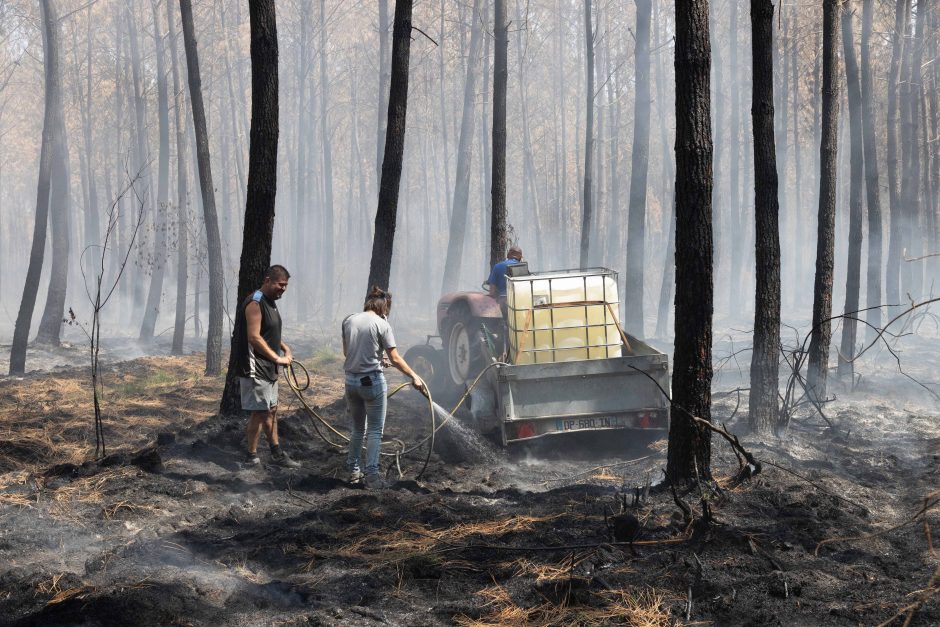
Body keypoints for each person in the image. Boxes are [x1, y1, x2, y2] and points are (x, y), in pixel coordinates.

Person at [342, 286, 425, 490]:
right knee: (375, 431)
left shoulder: (349, 319)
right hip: (372, 384)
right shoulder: (382, 324)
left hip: (350, 383)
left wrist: (378, 359)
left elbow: (348, 352)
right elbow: (396, 357)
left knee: (357, 429)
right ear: (384, 306)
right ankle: (372, 476)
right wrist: (414, 376)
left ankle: (353, 472)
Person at [232, 265, 300, 468]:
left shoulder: (271, 303)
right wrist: (278, 359)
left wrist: (284, 348)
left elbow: (269, 333)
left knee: (271, 410)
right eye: (281, 285)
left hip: (268, 367)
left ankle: (270, 454)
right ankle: (256, 456)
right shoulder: (256, 302)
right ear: (268, 280)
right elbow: (254, 337)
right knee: (261, 412)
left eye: (286, 286)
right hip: (255, 366)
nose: (283, 289)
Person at [487, 245, 523, 318]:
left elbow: (492, 290)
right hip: (520, 301)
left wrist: (491, 296)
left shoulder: (498, 266)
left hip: (504, 301)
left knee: (505, 321)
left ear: (508, 254)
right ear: (519, 257)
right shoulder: (523, 267)